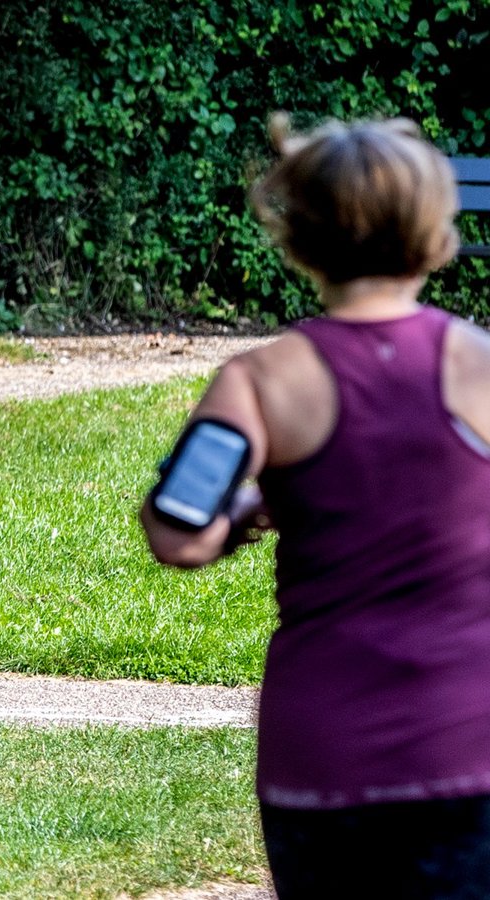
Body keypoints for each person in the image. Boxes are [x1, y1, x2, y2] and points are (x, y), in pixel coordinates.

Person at [140, 114, 490, 898]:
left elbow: (178, 531)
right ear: (435, 233)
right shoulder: (480, 363)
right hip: (472, 748)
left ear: (299, 237)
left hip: (323, 755)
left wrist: (246, 512)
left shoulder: (260, 381)